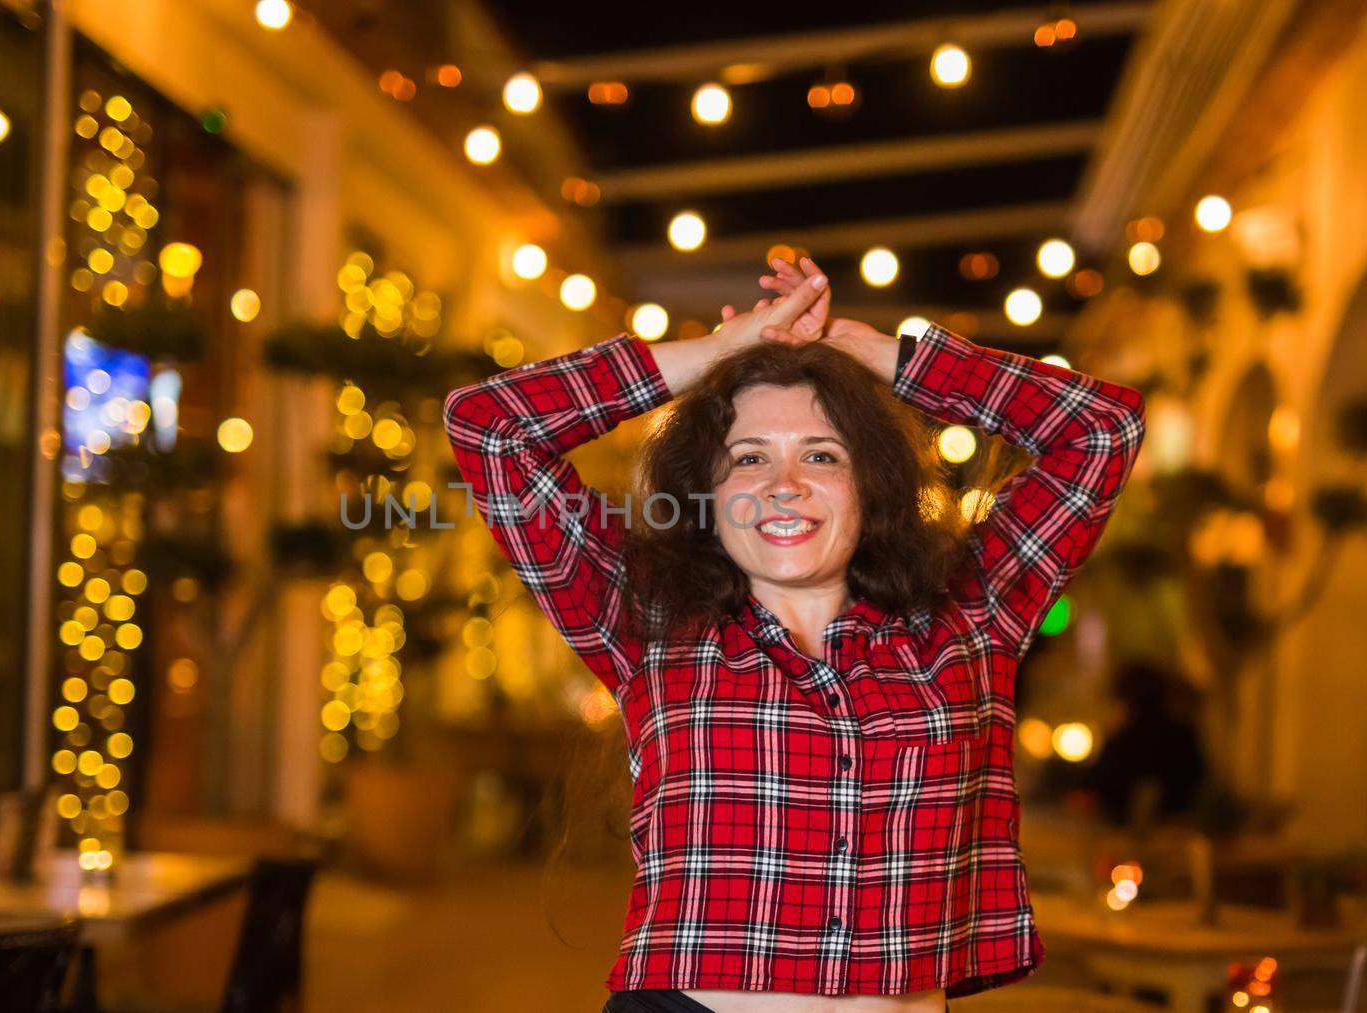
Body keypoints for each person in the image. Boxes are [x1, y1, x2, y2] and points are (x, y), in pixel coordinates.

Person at [443, 256, 1146, 1012]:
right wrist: (720, 355)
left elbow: (1103, 429)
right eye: (749, 457)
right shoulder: (647, 617)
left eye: (821, 454)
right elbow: (489, 426)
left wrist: (884, 357)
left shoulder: (967, 618)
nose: (785, 484)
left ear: (870, 485)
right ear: (710, 495)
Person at [1087, 659, 1208, 826]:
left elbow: (1100, 787)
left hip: (1125, 832)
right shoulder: (1182, 734)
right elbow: (1196, 782)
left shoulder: (1121, 741)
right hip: (1175, 830)